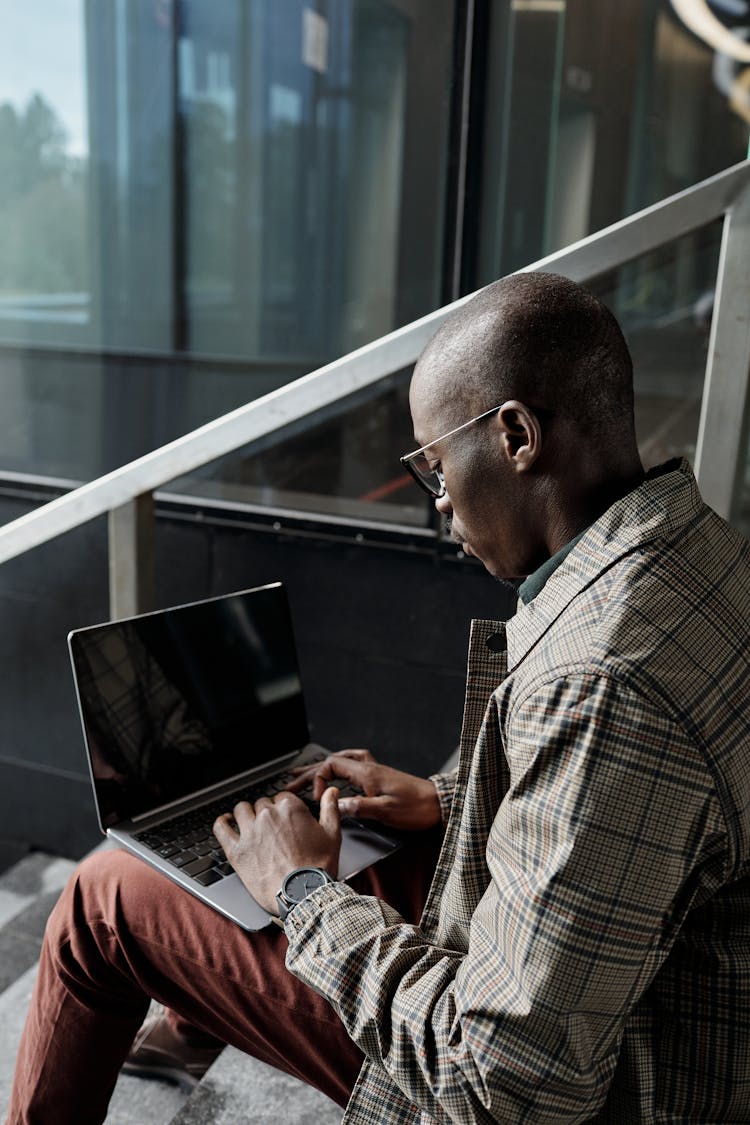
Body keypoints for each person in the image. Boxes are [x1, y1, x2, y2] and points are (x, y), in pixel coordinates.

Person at [7, 271, 750, 1124]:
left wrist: (301, 893)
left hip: (588, 1082)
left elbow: (503, 1086)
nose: (438, 503)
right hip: (625, 996)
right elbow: (630, 829)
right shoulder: (695, 554)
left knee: (101, 896)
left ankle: (187, 983)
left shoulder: (608, 683)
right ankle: (194, 1007)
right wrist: (445, 798)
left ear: (516, 435)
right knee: (334, 814)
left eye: (435, 465)